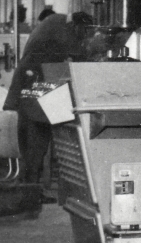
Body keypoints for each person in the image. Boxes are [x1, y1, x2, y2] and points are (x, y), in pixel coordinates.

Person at [2, 12, 93, 186]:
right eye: (86, 30)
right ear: (76, 26)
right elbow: (80, 54)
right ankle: (32, 188)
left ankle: (33, 185)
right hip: (37, 87)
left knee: (35, 143)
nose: (86, 35)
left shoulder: (56, 23)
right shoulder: (61, 29)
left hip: (35, 86)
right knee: (37, 143)